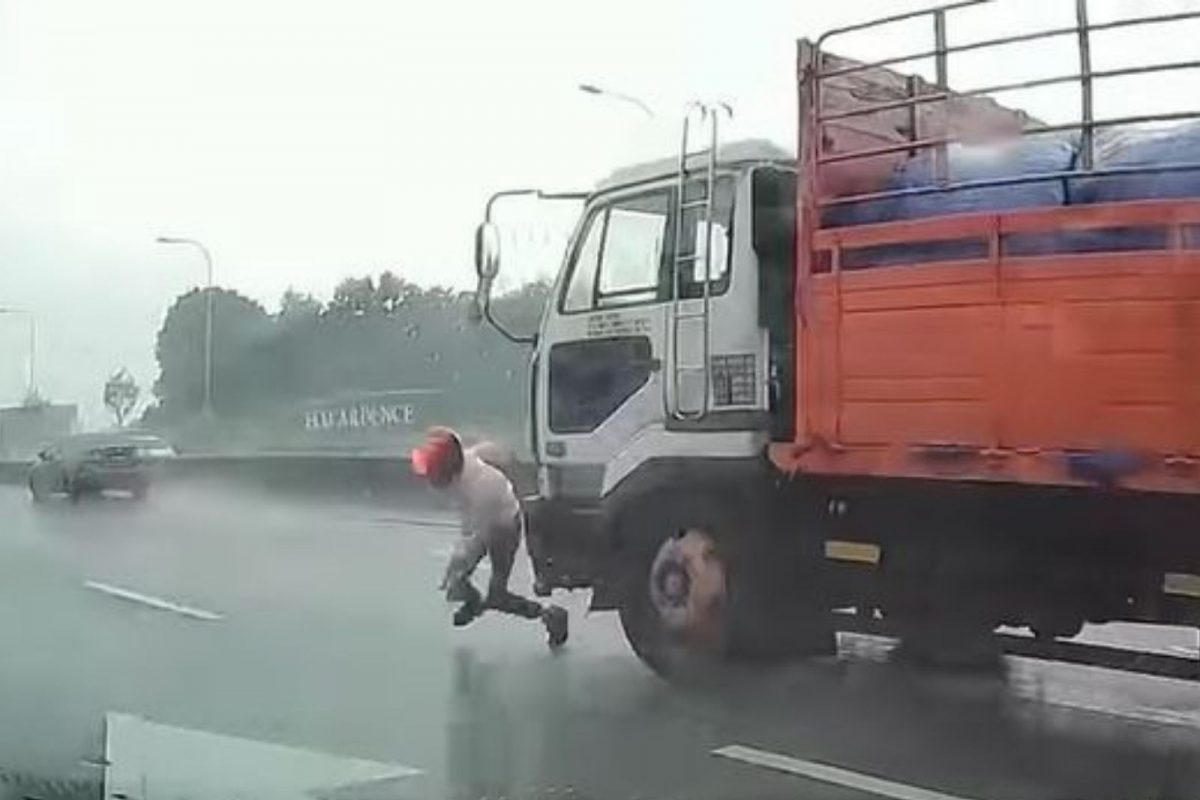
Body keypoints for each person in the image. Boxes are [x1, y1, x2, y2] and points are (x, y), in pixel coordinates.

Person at [411, 427, 568, 649]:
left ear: (447, 472)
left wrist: (455, 566)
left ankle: (551, 616)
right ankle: (474, 602)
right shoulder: (463, 467)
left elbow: (474, 538)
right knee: (456, 583)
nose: (428, 479)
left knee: (497, 597)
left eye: (432, 473)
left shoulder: (480, 490)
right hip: (485, 524)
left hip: (503, 528)